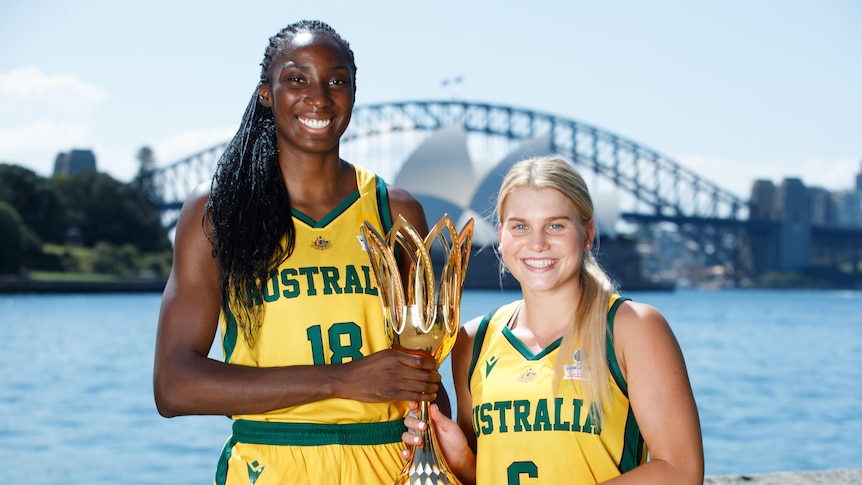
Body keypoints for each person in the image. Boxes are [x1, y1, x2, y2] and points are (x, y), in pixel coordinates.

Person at [153, 20, 447, 485]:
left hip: (390, 462)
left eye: (337, 80)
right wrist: (341, 380)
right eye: (297, 78)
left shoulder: (396, 210)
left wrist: (445, 451)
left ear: (353, 93)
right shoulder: (217, 212)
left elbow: (422, 368)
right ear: (266, 93)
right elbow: (173, 386)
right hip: (272, 463)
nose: (320, 96)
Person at [400, 156, 704, 484]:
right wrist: (462, 461)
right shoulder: (473, 340)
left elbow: (681, 471)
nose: (537, 243)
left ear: (587, 233)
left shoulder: (632, 328)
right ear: (501, 237)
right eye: (520, 226)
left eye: (555, 225)